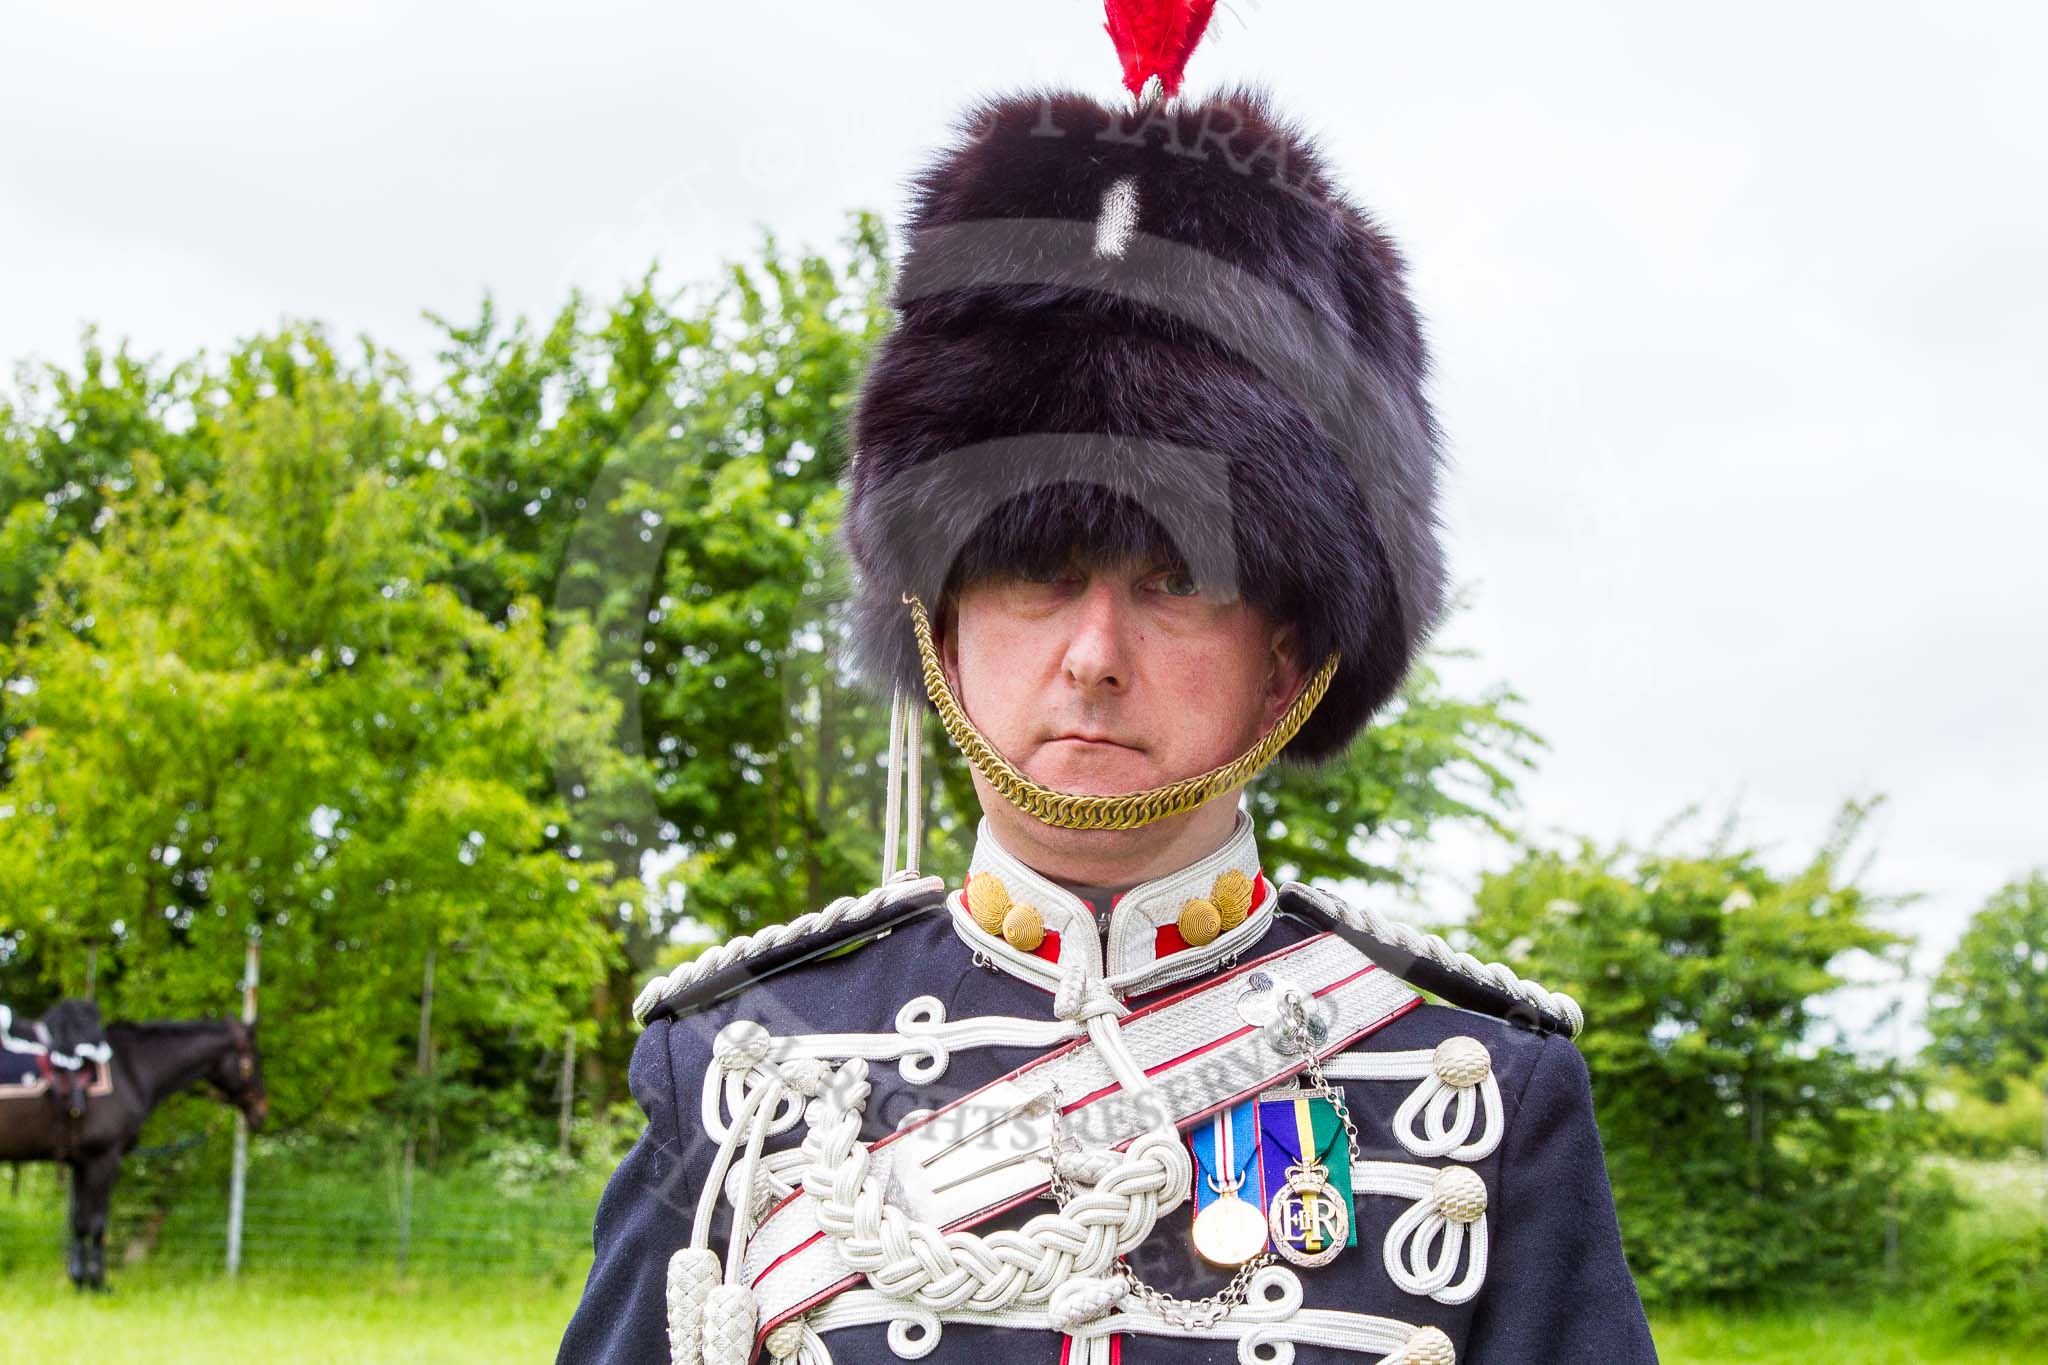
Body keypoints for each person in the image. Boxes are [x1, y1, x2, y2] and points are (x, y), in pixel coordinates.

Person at [561, 21, 1658, 1365]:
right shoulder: (734, 1069)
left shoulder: (1486, 1091)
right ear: (939, 617)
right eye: (1033, 571)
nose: (1093, 652)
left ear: (1289, 646)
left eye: (1177, 582)